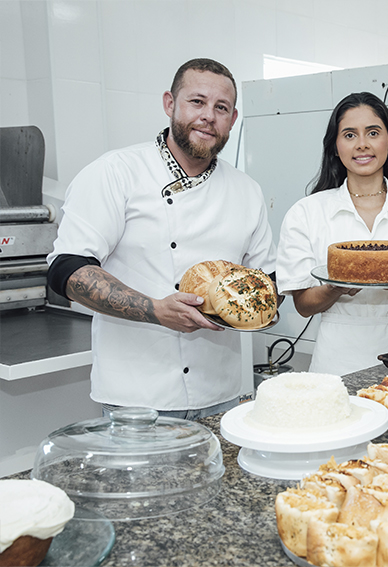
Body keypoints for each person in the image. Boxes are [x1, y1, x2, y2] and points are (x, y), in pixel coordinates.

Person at [46, 58, 277, 419]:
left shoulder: (246, 190)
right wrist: (155, 310)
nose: (208, 116)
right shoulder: (115, 172)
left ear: (233, 119)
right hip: (136, 398)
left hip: (222, 392)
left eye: (221, 108)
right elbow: (67, 270)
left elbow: (267, 280)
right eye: (197, 102)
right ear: (170, 104)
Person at [276, 92, 388, 375]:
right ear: (335, 147)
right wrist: (336, 286)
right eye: (349, 135)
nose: (362, 144)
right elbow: (304, 306)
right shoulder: (306, 212)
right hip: (336, 359)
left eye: (373, 133)